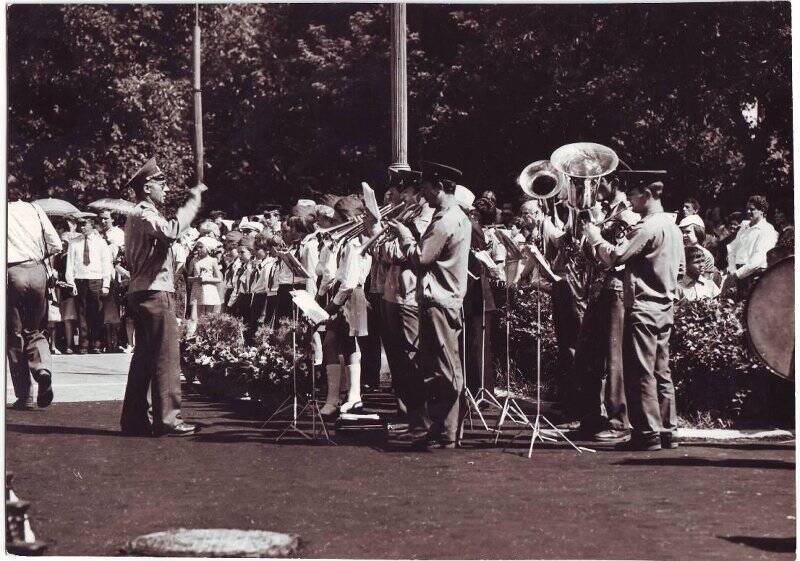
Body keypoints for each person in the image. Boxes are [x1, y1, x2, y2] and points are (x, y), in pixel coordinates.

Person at [583, 180, 685, 451]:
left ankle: (647, 433)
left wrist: (595, 238)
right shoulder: (673, 226)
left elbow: (616, 257)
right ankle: (667, 431)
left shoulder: (647, 226)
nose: (629, 201)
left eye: (633, 195)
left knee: (641, 372)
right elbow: (682, 270)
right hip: (665, 306)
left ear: (646, 193)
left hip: (643, 306)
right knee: (662, 371)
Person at [119, 156, 206, 436]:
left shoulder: (137, 213)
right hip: (155, 291)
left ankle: (134, 419)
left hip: (143, 290)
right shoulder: (145, 213)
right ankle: (169, 419)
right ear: (147, 188)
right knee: (166, 356)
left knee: (144, 357)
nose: (166, 189)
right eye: (162, 184)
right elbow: (170, 232)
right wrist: (193, 204)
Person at [388, 162, 472, 449]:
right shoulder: (453, 216)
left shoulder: (444, 220)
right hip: (442, 299)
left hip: (438, 300)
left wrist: (404, 234)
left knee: (444, 369)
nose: (422, 193)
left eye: (425, 187)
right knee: (442, 366)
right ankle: (444, 429)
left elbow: (421, 258)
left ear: (438, 186)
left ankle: (447, 432)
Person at [7, 199, 63, 409]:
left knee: (14, 336)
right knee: (36, 330)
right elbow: (56, 244)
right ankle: (42, 369)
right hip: (37, 272)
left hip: (12, 272)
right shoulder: (35, 209)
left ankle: (25, 396)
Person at [64, 215, 114, 354]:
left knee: (97, 313)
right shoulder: (74, 242)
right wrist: (71, 283)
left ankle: (96, 343)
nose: (81, 227)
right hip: (80, 280)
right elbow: (70, 264)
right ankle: (83, 345)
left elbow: (106, 264)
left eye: (84, 224)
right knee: (81, 313)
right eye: (80, 225)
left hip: (96, 280)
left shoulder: (100, 242)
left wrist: (106, 284)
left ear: (91, 225)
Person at [725, 195, 778, 298]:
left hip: (753, 277)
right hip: (736, 274)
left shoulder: (767, 230)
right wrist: (732, 269)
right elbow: (732, 249)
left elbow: (758, 259)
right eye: (747, 209)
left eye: (752, 209)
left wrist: (737, 274)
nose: (748, 212)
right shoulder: (744, 226)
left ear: (762, 210)